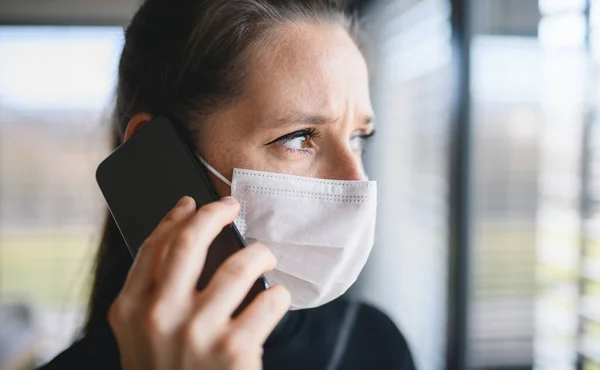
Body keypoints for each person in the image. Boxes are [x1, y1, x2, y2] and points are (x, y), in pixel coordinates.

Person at [38, 0, 415, 369]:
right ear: (156, 158)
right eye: (299, 137)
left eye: (358, 137)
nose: (356, 183)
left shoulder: (375, 343)